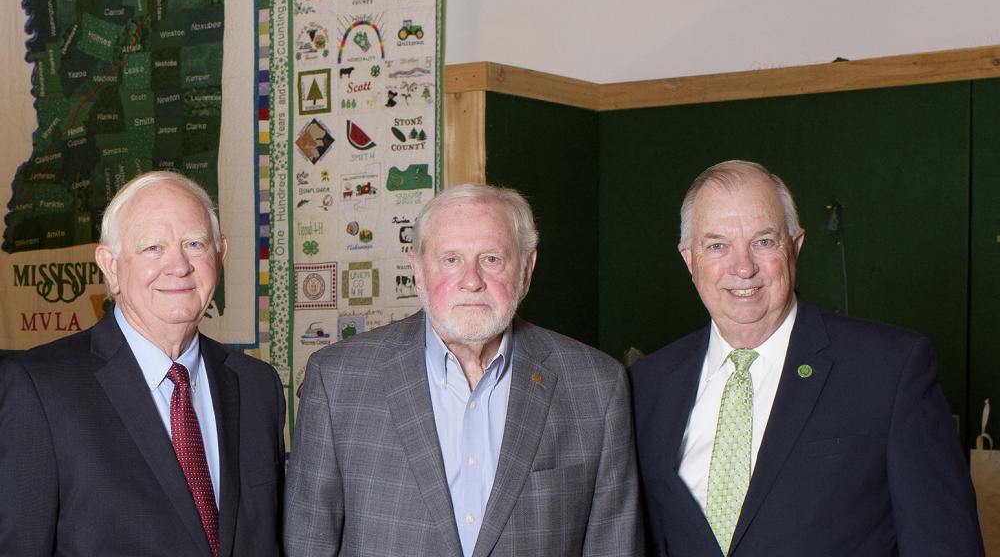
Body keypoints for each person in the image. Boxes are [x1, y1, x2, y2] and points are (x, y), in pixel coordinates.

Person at [630, 160, 984, 556]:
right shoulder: (646, 386)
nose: (743, 267)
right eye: (717, 246)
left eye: (763, 241)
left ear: (795, 246)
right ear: (689, 258)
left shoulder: (890, 371)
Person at [285, 184, 642, 556]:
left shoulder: (596, 387)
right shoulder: (338, 380)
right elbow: (308, 542)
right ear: (418, 270)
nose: (471, 280)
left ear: (526, 269)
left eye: (491, 259)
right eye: (451, 259)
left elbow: (613, 544)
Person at [0, 171, 285, 556]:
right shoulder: (40, 389)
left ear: (220, 255)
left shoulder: (257, 385)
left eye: (195, 244)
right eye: (153, 247)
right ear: (111, 266)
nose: (179, 265)